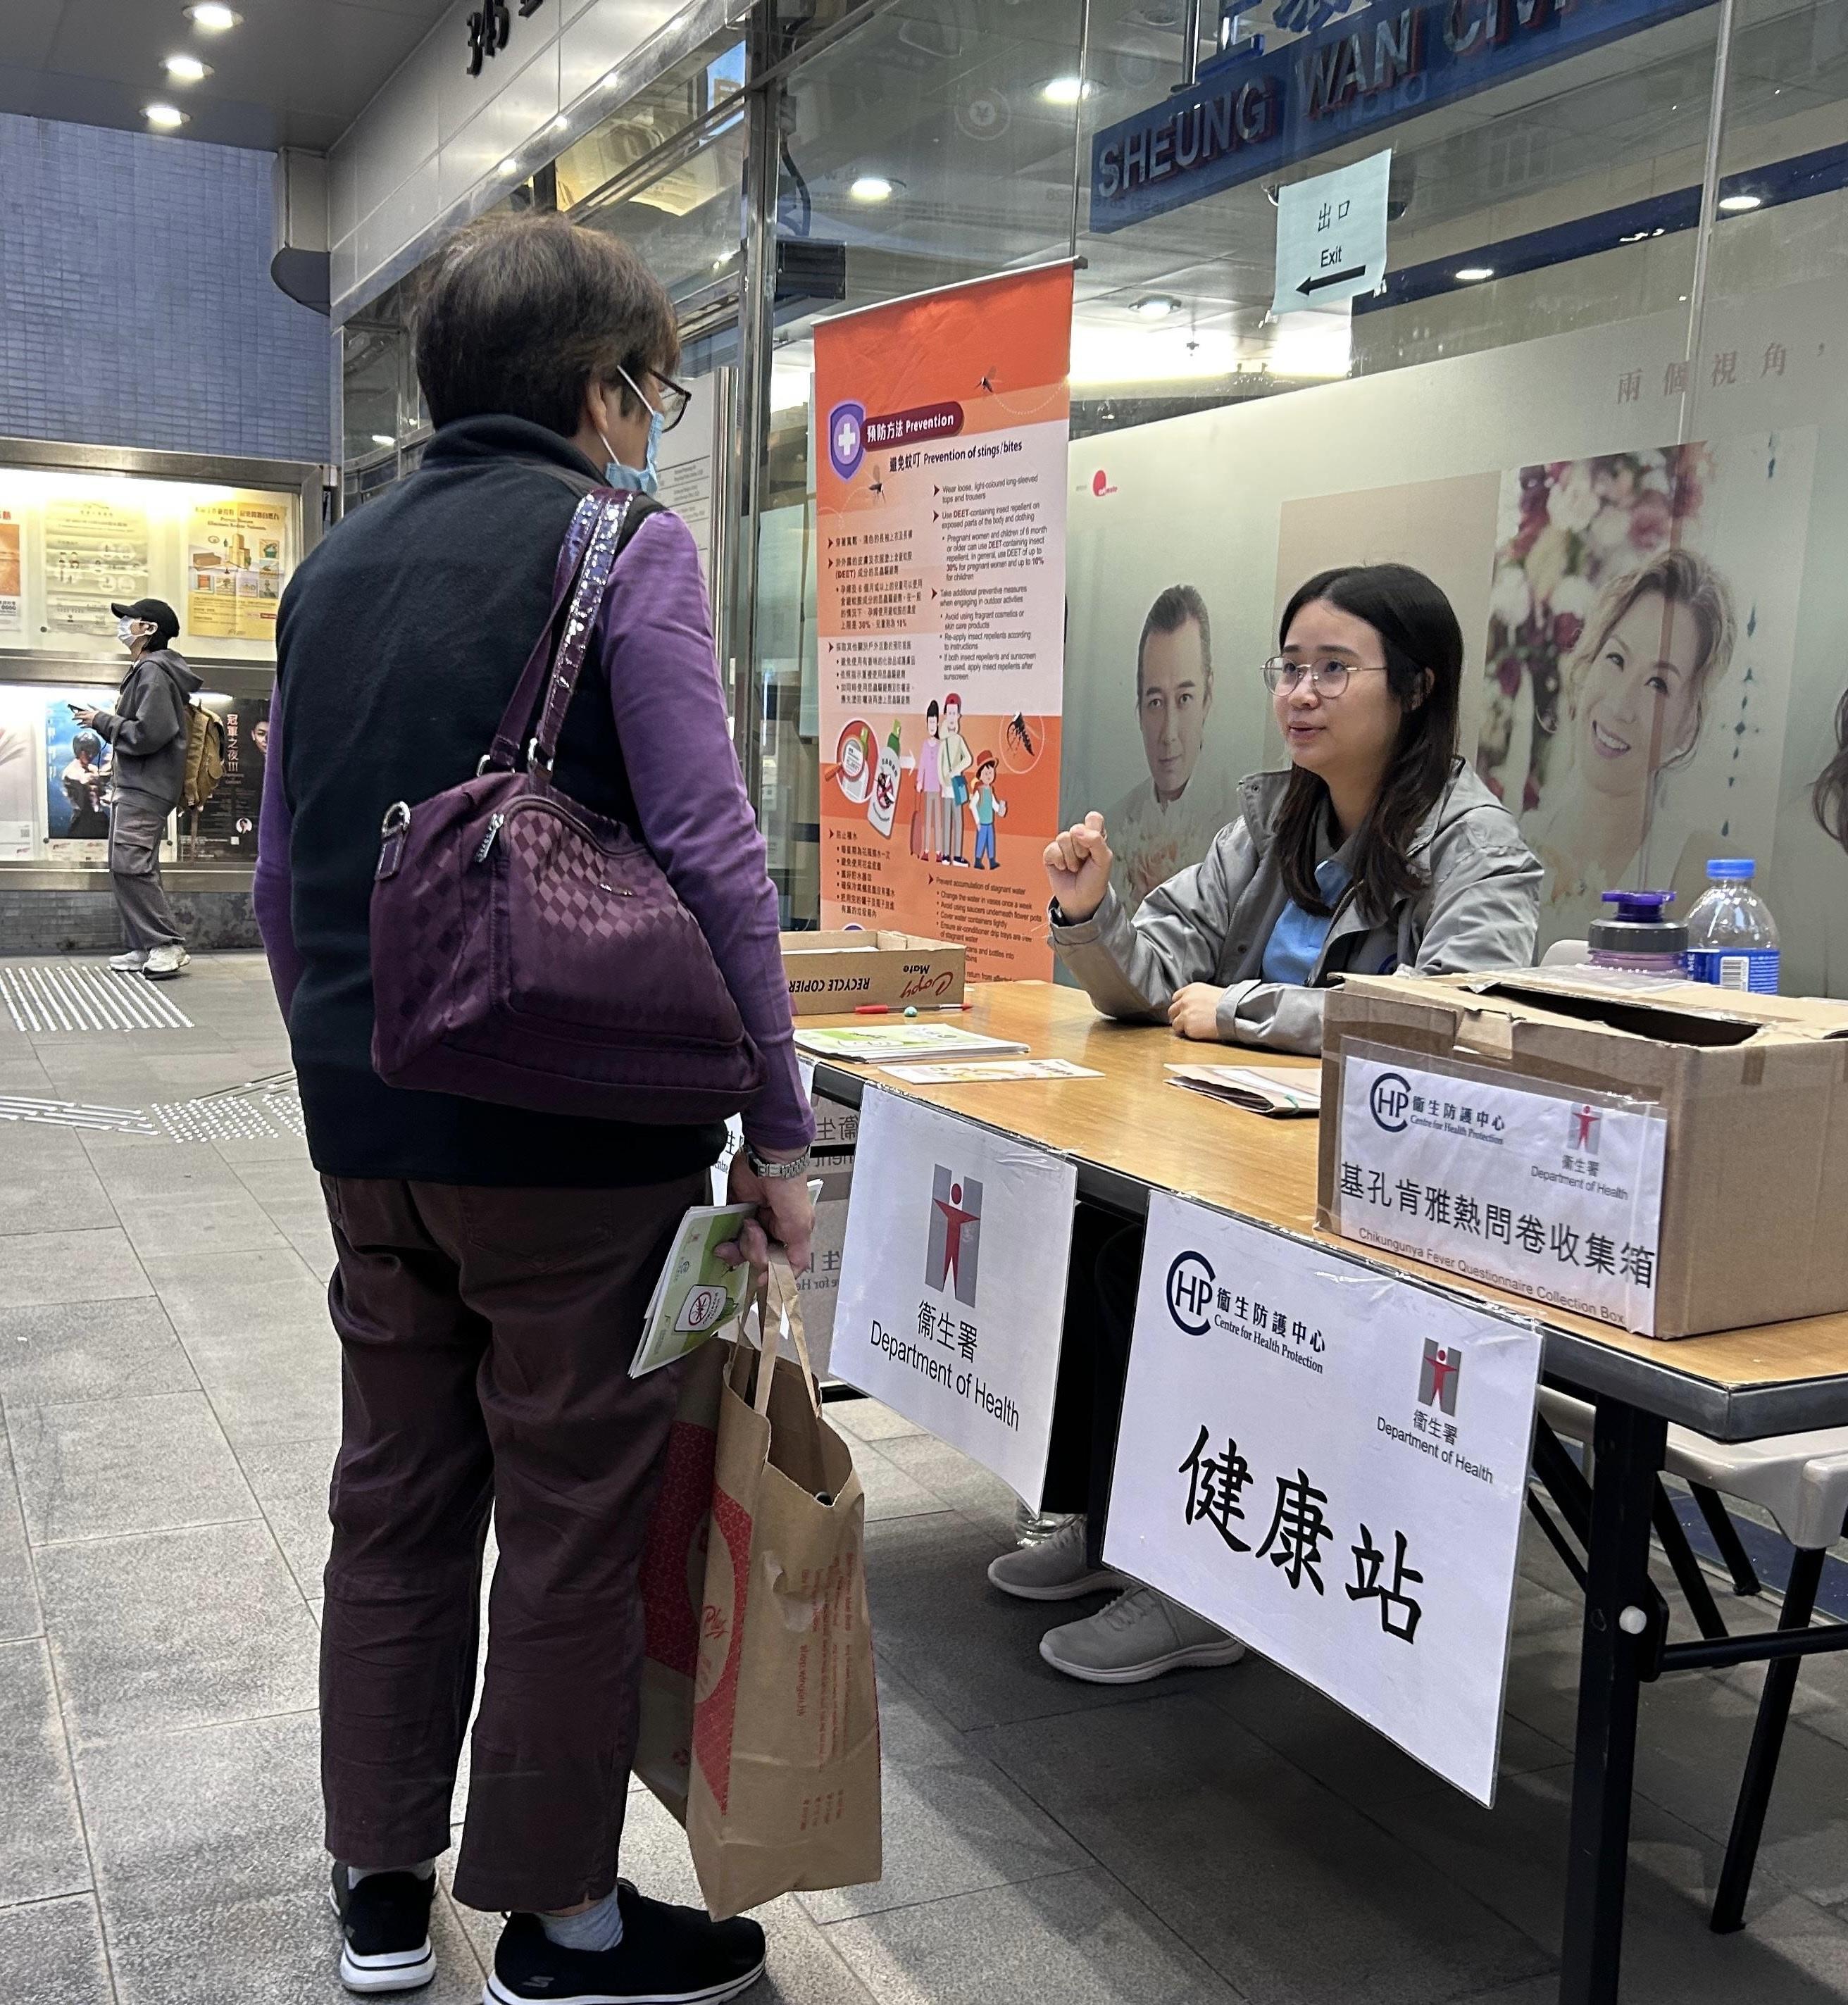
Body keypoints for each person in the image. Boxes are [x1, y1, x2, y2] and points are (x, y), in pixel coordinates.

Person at [253, 212, 811, 2005]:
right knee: (572, 1499)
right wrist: (780, 1122)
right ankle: (563, 1918)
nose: (653, 414)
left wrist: (346, 1069)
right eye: (651, 380)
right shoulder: (618, 539)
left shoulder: (330, 568)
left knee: (393, 1487)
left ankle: (380, 1892)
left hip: (371, 1120)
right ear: (601, 386)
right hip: (572, 1124)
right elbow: (714, 846)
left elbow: (279, 874)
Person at [991, 563, 1542, 1683]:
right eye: (1290, 667)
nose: (1301, 692)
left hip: (1375, 1199)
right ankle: (1115, 1520)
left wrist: (1246, 1011)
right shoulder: (1274, 818)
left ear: (1419, 686)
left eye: (1335, 669)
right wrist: (1091, 914)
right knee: (1095, 1229)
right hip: (1247, 1155)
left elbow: (1457, 1022)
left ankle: (1201, 1579)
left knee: (1154, 1260)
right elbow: (1154, 979)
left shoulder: (1477, 847)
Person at [1518, 546, 1735, 930]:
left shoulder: (1704, 882)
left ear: (1689, 724)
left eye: (1658, 683)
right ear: (1587, 662)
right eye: (1616, 660)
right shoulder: (1515, 846)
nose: (1621, 706)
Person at [71, 596, 199, 978]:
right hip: (139, 783)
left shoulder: (154, 672)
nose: (122, 625)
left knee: (130, 864)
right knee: (130, 864)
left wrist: (102, 721)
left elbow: (150, 733)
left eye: (129, 620)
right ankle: (146, 944)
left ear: (148, 629)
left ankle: (165, 945)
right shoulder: (148, 669)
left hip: (147, 785)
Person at [1104, 585, 1239, 916]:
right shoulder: (1113, 825)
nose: (1169, 733)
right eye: (1155, 702)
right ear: (1138, 709)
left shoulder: (1242, 825)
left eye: (1184, 699)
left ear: (1207, 696)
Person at [59, 730, 112, 840]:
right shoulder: (71, 772)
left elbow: (102, 788)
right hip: (82, 820)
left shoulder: (92, 768)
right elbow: (84, 781)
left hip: (100, 818)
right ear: (79, 751)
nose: (91, 755)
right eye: (88, 751)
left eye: (93, 751)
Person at [940, 691, 973, 864]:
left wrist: (956, 771)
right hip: (946, 788)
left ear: (958, 715)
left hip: (956, 786)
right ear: (945, 715)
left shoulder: (959, 740)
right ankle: (946, 854)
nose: (952, 716)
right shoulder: (943, 741)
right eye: (950, 713)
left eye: (955, 713)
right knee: (947, 822)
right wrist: (943, 779)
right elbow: (940, 764)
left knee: (958, 821)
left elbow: (968, 758)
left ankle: (958, 855)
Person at [916, 699, 944, 863]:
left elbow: (942, 765)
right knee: (927, 820)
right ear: (927, 723)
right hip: (927, 789)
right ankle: (926, 850)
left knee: (937, 821)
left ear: (937, 723)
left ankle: (939, 852)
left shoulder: (940, 745)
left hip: (938, 788)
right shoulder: (925, 745)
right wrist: (920, 781)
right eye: (930, 722)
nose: (932, 725)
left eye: (934, 721)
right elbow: (922, 765)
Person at [970, 750, 1006, 868]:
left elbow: (994, 805)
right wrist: (978, 822)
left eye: (991, 772)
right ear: (980, 775)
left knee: (991, 841)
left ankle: (992, 861)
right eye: (986, 773)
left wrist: (1001, 809)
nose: (989, 775)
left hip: (990, 822)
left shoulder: (990, 790)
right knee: (981, 842)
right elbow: (972, 806)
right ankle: (978, 860)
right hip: (983, 823)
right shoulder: (979, 791)